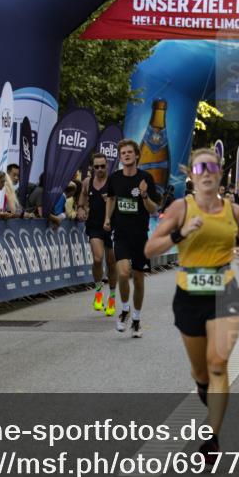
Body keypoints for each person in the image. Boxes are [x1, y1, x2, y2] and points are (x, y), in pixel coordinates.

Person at [144, 148, 239, 464]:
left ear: (220, 173)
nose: (206, 172)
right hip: (188, 293)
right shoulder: (180, 208)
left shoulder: (234, 212)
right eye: (200, 168)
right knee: (201, 373)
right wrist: (181, 233)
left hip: (224, 290)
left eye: (212, 167)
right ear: (192, 175)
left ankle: (211, 437)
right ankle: (203, 388)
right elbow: (151, 248)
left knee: (219, 362)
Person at [104, 139, 161, 336]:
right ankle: (125, 310)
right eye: (123, 153)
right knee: (123, 272)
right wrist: (107, 218)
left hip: (140, 235)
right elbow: (111, 198)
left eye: (129, 152)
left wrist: (145, 196)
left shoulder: (146, 178)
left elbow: (154, 209)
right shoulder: (115, 178)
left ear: (137, 155)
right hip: (120, 233)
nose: (126, 155)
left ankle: (136, 319)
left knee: (138, 278)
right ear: (120, 157)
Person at [78, 153, 118, 316]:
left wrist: (109, 200)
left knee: (111, 263)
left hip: (112, 226)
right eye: (96, 167)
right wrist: (80, 209)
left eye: (102, 166)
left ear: (107, 165)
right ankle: (99, 291)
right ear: (92, 167)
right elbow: (82, 199)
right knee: (97, 258)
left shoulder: (114, 182)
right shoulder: (87, 182)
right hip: (94, 225)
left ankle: (112, 297)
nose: (100, 169)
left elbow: (122, 201)